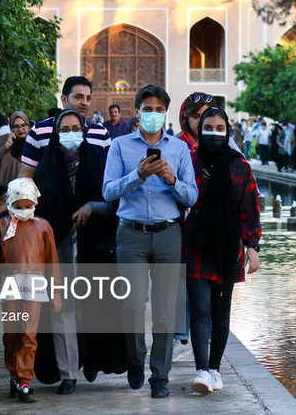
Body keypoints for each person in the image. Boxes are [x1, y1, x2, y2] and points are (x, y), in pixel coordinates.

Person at [102, 85, 198, 398]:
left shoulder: (179, 149)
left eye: (159, 109)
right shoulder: (120, 146)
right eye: (148, 108)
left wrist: (172, 181)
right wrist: (138, 175)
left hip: (168, 232)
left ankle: (160, 377)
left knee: (165, 311)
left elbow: (192, 196)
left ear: (165, 113)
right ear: (138, 110)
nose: (153, 114)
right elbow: (108, 191)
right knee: (131, 305)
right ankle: (135, 359)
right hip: (131, 233)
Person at [32, 109, 126, 392]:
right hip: (57, 245)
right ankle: (68, 373)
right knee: (63, 308)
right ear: (56, 132)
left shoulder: (98, 163)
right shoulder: (46, 168)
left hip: (92, 246)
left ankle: (94, 359)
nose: (71, 134)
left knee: (93, 306)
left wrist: (91, 207)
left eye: (76, 128)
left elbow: (114, 203)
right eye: (65, 128)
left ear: (84, 132)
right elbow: (36, 208)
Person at [183, 107, 261, 394]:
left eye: (220, 128)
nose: (214, 133)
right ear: (198, 129)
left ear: (227, 131)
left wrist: (252, 247)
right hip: (195, 245)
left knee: (221, 312)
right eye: (208, 127)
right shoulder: (189, 162)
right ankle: (202, 370)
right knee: (200, 309)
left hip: (228, 248)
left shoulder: (239, 166)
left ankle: (215, 369)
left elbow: (250, 208)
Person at [0, 178, 61, 403]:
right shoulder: (1, 227)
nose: (24, 210)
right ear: (10, 204)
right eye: (19, 206)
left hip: (35, 285)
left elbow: (52, 262)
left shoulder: (43, 227)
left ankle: (25, 381)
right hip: (10, 284)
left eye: (28, 206)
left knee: (29, 333)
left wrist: (56, 293)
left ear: (35, 203)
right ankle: (14, 375)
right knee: (11, 333)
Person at [21, 76, 111, 176]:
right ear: (64, 99)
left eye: (88, 98)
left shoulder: (101, 134)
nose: (85, 103)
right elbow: (26, 176)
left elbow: (108, 175)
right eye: (78, 97)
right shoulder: (39, 131)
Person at [0, 111, 30, 193]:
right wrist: (8, 144)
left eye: (23, 125)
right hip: (5, 188)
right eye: (16, 126)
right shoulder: (2, 139)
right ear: (11, 128)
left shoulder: (34, 140)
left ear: (28, 125)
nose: (20, 129)